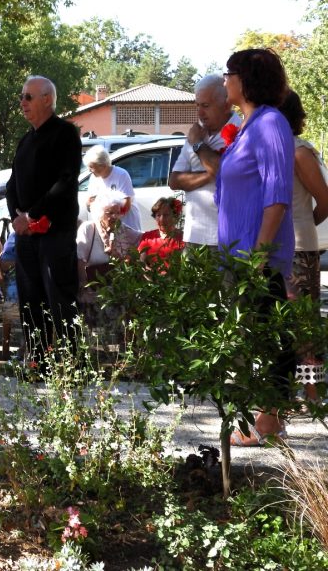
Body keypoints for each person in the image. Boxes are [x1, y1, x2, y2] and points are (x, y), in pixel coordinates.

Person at [199, 48, 294, 446]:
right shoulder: (247, 125)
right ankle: (261, 415)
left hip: (259, 256)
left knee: (272, 337)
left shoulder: (270, 122)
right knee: (251, 336)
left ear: (246, 79)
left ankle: (270, 420)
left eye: (229, 73)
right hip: (236, 255)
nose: (224, 80)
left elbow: (277, 194)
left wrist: (258, 253)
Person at [5, 75, 81, 366]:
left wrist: (33, 214)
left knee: (59, 298)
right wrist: (16, 216)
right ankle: (37, 362)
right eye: (22, 96)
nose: (22, 102)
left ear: (47, 99)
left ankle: (71, 365)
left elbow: (65, 181)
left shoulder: (65, 134)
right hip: (26, 236)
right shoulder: (26, 139)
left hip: (54, 232)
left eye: (28, 97)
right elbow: (13, 184)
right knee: (30, 301)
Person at [280, 90, 328, 402]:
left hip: (298, 248)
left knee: (303, 323)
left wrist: (303, 225)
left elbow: (325, 200)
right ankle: (286, 390)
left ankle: (313, 393)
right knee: (283, 321)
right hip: (276, 246)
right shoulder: (277, 150)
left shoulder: (299, 152)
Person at [169, 75, 241, 247]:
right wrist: (212, 173)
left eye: (206, 106)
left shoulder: (241, 132)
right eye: (198, 105)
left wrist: (199, 146)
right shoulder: (196, 134)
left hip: (226, 239)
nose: (200, 113)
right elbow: (174, 180)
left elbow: (227, 176)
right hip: (193, 235)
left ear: (226, 104)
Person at [76, 190, 142, 328]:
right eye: (109, 213)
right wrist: (84, 285)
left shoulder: (122, 230)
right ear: (100, 212)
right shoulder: (89, 228)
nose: (114, 216)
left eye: (117, 213)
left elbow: (141, 239)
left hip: (115, 288)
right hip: (92, 287)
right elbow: (79, 260)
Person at [83, 145, 143, 231]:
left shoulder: (121, 174)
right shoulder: (93, 178)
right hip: (106, 226)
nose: (89, 170)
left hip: (126, 225)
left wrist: (113, 219)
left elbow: (127, 204)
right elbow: (90, 203)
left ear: (102, 165)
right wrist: (89, 204)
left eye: (92, 167)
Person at [137, 197, 185, 261]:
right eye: (158, 215)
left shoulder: (184, 238)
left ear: (175, 217)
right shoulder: (147, 238)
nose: (161, 219)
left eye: (166, 215)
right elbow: (142, 263)